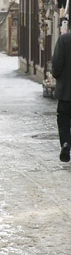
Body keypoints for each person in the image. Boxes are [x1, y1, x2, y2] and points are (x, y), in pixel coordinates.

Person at [52, 30, 71, 162]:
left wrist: (58, 76)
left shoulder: (64, 40)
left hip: (66, 91)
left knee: (63, 119)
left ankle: (65, 143)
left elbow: (57, 63)